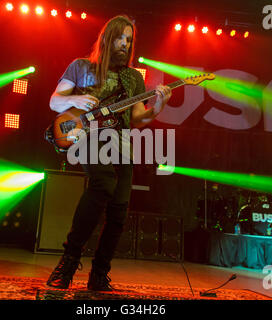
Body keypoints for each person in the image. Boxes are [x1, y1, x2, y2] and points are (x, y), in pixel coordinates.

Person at [46, 15, 172, 291]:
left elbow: (138, 119)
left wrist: (158, 107)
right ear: (107, 38)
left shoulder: (133, 78)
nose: (125, 44)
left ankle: (99, 274)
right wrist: (75, 99)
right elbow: (55, 101)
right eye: (120, 37)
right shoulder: (81, 66)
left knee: (118, 213)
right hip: (88, 136)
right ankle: (68, 262)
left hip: (122, 145)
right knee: (102, 184)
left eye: (129, 40)